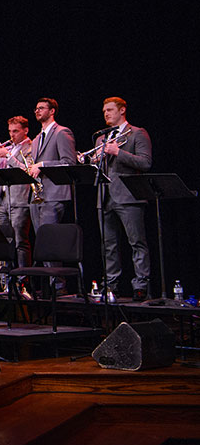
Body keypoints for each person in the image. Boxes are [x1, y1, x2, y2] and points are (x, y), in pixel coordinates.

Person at [81, 97, 153, 302]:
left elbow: (145, 163)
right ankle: (110, 285)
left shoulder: (137, 133)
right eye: (104, 110)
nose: (106, 114)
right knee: (108, 244)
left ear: (122, 110)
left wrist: (118, 152)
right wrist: (94, 162)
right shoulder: (101, 138)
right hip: (104, 197)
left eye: (110, 110)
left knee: (136, 242)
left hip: (129, 196)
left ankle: (141, 285)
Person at [25, 97, 77, 295]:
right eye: (36, 108)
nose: (37, 111)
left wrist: (43, 165)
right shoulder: (37, 139)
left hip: (55, 193)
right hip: (38, 195)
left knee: (50, 240)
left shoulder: (63, 133)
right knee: (42, 242)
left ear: (52, 111)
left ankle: (59, 286)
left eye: (41, 108)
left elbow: (69, 162)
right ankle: (51, 285)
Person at [0, 115, 34, 268]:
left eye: (16, 131)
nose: (12, 135)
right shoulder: (8, 148)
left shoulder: (31, 147)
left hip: (19, 199)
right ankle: (6, 279)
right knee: (3, 239)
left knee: (20, 241)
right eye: (10, 131)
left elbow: (27, 170)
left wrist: (8, 156)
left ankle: (22, 278)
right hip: (1, 200)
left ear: (25, 131)